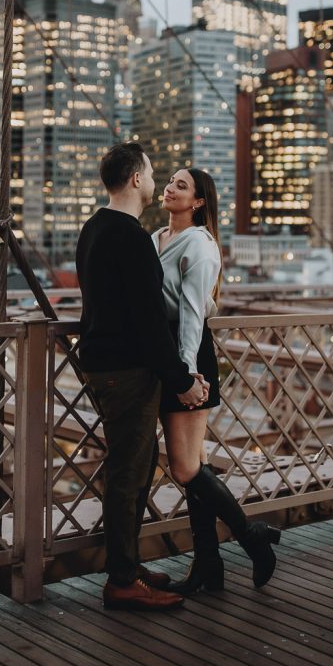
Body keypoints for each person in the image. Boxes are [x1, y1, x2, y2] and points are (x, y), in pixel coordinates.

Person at [76, 142, 208, 611]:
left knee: (130, 468)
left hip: (103, 364)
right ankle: (122, 580)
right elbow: (150, 322)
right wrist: (181, 379)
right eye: (152, 173)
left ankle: (128, 566)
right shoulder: (131, 237)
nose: (155, 181)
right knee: (129, 474)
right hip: (128, 371)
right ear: (135, 180)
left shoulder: (94, 228)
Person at [153, 167, 280, 595]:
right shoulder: (157, 239)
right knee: (195, 465)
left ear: (199, 202)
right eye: (169, 181)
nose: (170, 188)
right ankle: (209, 563)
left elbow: (192, 313)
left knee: (184, 467)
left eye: (181, 185)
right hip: (166, 352)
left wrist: (186, 371)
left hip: (187, 354)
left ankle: (251, 537)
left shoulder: (200, 245)